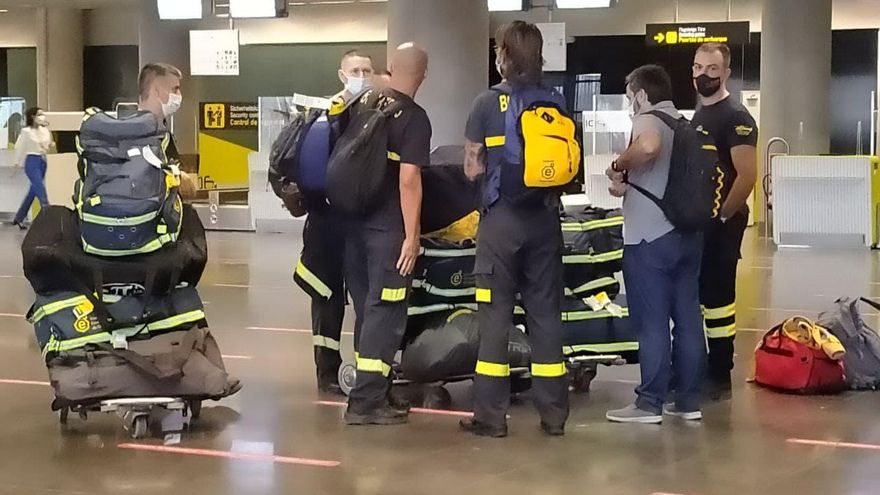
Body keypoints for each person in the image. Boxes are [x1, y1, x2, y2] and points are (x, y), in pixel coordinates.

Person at [460, 20, 569, 438]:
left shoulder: (487, 102)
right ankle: (554, 415)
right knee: (546, 317)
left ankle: (490, 417)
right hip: (545, 220)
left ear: (504, 55)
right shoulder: (556, 100)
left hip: (501, 224)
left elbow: (473, 168)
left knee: (495, 319)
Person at [605, 65, 705, 424]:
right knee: (688, 319)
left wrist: (619, 163)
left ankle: (649, 402)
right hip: (687, 236)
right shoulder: (683, 123)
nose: (629, 103)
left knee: (652, 322)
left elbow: (648, 146)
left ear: (642, 95)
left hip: (649, 238)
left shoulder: (647, 119)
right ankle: (688, 400)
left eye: (630, 95)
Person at [344, 42, 430, 426]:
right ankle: (365, 403)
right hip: (387, 233)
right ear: (424, 75)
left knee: (368, 313)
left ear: (391, 67)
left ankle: (375, 389)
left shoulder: (365, 103)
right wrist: (412, 236)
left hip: (353, 228)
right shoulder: (413, 118)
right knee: (386, 315)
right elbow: (409, 180)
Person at [296, 50, 375, 395]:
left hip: (362, 222)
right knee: (326, 300)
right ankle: (326, 371)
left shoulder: (375, 113)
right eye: (355, 70)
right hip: (327, 224)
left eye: (367, 70)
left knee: (365, 297)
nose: (362, 75)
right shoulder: (325, 116)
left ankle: (368, 367)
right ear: (342, 75)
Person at [691, 43, 758, 400]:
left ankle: (719, 372)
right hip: (700, 223)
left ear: (726, 73)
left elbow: (746, 176)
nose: (703, 75)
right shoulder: (702, 113)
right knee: (703, 295)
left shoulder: (736, 117)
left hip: (722, 224)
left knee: (719, 299)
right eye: (698, 68)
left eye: (712, 69)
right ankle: (704, 365)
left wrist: (722, 216)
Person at [12, 107, 54, 229]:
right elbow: (20, 148)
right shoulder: (26, 131)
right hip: (32, 160)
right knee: (40, 188)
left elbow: (48, 145)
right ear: (32, 116)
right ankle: (48, 217)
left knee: (33, 190)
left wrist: (50, 144)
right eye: (39, 114)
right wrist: (16, 163)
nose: (42, 116)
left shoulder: (45, 131)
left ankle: (19, 217)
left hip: (43, 160)